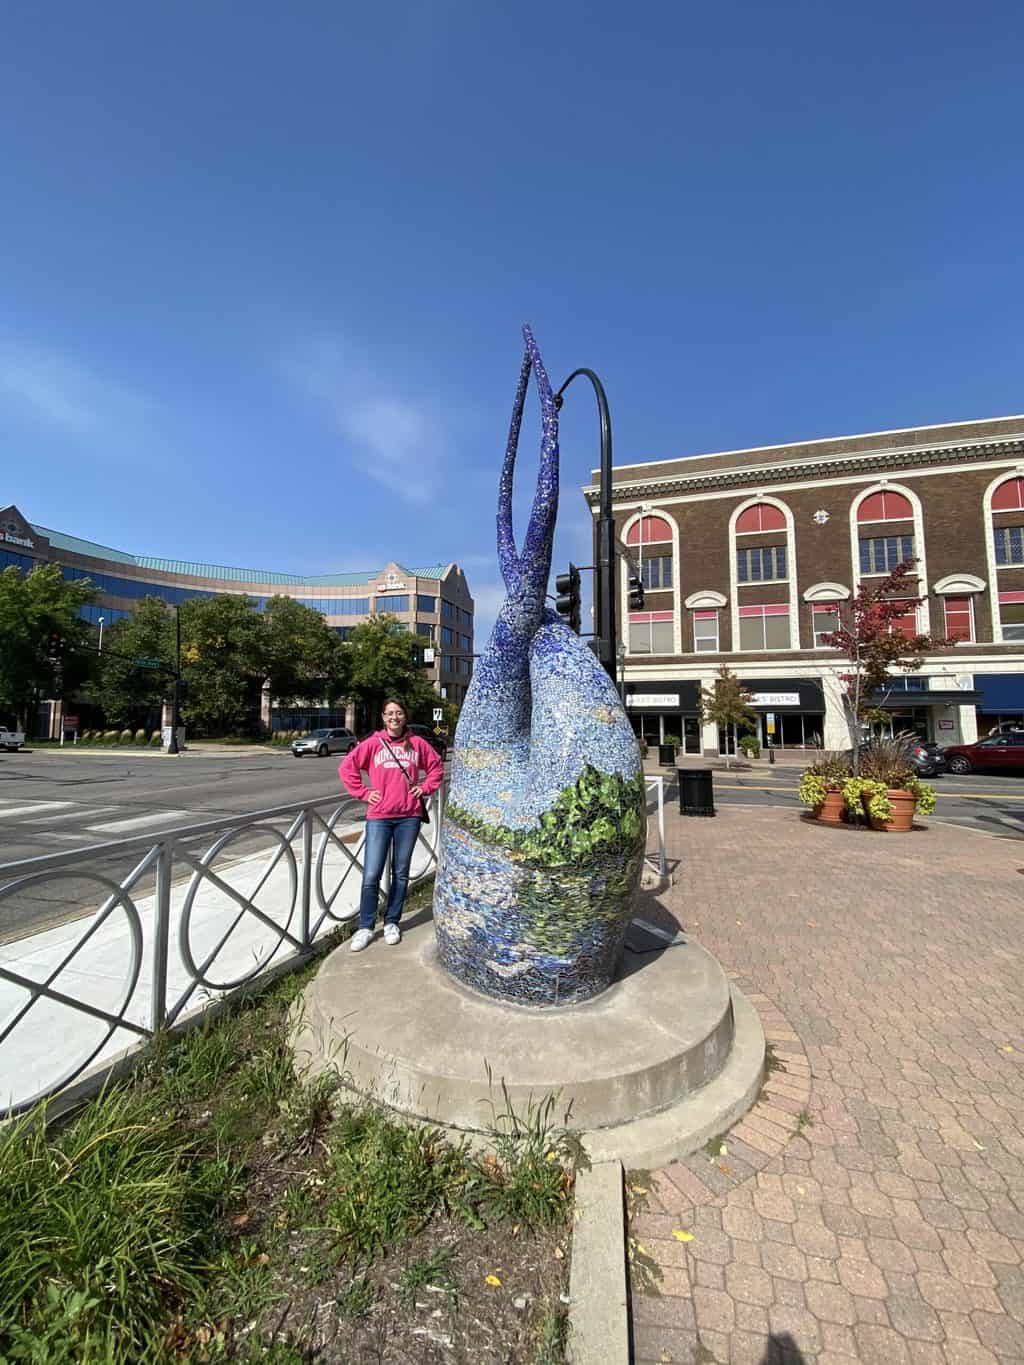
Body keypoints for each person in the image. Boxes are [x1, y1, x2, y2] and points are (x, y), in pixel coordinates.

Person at [339, 698, 444, 951]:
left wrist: (424, 788)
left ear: (404, 716)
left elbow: (436, 768)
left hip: (408, 817)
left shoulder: (417, 744)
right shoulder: (373, 744)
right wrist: (364, 793)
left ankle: (391, 922)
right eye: (389, 714)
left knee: (400, 873)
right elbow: (347, 767)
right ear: (383, 718)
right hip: (379, 817)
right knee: (371, 874)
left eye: (398, 713)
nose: (394, 718)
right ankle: (365, 927)